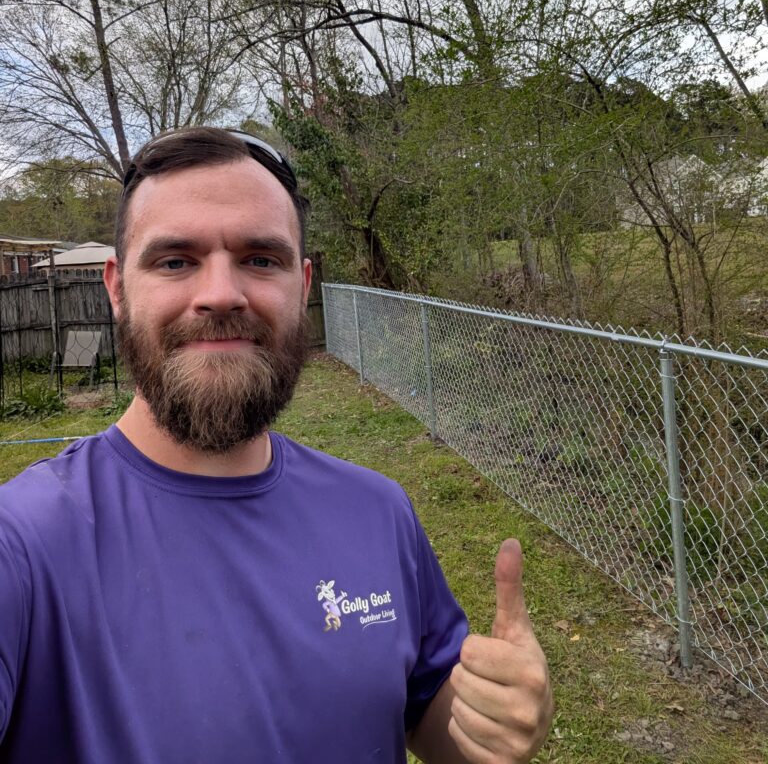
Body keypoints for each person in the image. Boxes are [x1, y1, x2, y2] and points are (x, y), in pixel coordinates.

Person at [0, 127, 553, 763]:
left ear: (303, 284)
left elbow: (428, 713)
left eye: (261, 259)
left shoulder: (377, 512)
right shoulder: (25, 543)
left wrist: (493, 720)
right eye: (175, 260)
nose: (220, 294)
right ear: (118, 289)